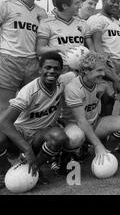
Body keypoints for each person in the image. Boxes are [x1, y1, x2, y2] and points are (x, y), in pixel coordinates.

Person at [0, 52, 76, 185]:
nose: (51, 71)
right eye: (47, 67)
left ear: (61, 70)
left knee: (58, 136)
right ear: (40, 69)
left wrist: (115, 82)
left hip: (42, 133)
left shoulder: (64, 81)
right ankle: (5, 171)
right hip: (21, 132)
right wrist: (27, 150)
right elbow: (4, 122)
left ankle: (35, 169)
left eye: (56, 68)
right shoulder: (28, 91)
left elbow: (88, 70)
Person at [86, 0, 120, 134]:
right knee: (108, 103)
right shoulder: (97, 19)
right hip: (109, 64)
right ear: (103, 0)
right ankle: (103, 139)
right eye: (112, 1)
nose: (115, 5)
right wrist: (110, 74)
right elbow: (97, 48)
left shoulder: (118, 23)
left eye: (117, 2)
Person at [0, 0, 50, 114]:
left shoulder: (41, 13)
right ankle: (4, 136)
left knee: (29, 104)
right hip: (9, 60)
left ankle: (22, 135)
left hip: (32, 62)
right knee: (5, 105)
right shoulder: (6, 5)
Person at [37, 0, 90, 70]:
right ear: (64, 6)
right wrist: (58, 49)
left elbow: (91, 48)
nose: (79, 6)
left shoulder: (83, 23)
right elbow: (40, 50)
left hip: (81, 69)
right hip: (59, 69)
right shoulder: (47, 23)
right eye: (76, 3)